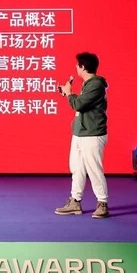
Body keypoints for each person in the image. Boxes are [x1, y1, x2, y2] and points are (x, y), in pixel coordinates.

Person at [54, 52, 109, 219]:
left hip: (92, 134)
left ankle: (102, 203)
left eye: (77, 65)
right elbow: (81, 103)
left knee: (94, 170)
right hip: (80, 133)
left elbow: (78, 105)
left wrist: (69, 93)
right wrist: (68, 94)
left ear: (83, 67)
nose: (76, 68)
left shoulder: (96, 84)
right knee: (77, 169)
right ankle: (75, 201)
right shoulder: (88, 84)